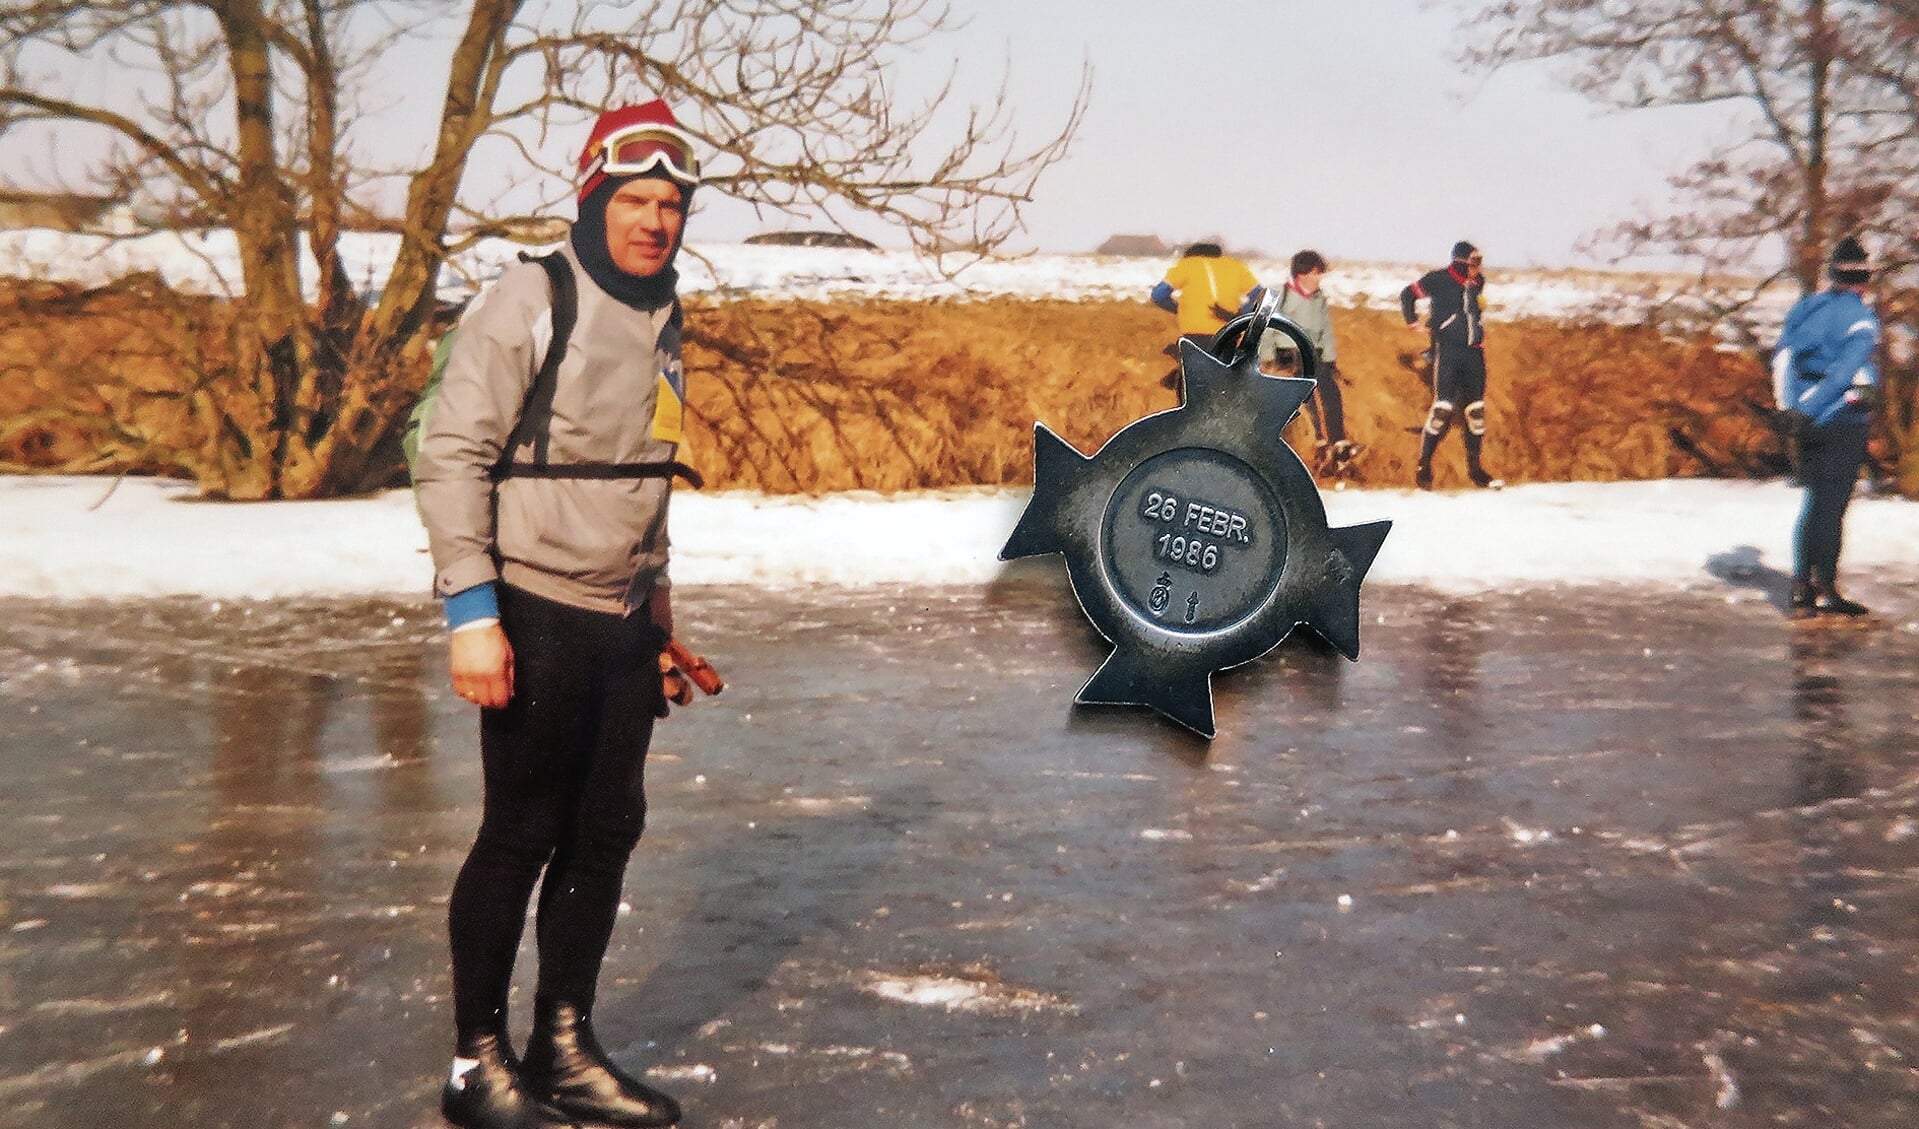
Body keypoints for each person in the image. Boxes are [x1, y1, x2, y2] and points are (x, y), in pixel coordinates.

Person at [414, 99, 704, 1129]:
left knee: (605, 830)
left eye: (671, 203)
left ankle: (564, 1044)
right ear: (593, 197)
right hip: (531, 607)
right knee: (520, 832)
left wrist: (660, 601)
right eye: (634, 197)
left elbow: (653, 463)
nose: (653, 220)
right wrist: (471, 612)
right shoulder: (531, 296)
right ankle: (474, 1063)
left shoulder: (665, 310)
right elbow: (449, 456)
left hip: (621, 618)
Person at [1773, 236, 1881, 620]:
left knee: (1813, 502)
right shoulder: (1861, 319)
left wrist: (1789, 409)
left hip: (1806, 424)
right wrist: (1813, 407)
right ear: (1865, 278)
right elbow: (1843, 372)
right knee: (1832, 507)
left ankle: (1802, 584)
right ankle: (1826, 588)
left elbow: (1783, 356)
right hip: (1840, 419)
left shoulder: (1806, 308)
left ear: (1832, 273)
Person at [1401, 241, 1501, 490]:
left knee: (1475, 411)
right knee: (1443, 407)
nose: (1479, 268)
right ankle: (1423, 466)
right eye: (1474, 262)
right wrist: (1413, 322)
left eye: (1480, 262)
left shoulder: (1478, 283)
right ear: (1462, 262)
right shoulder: (1439, 279)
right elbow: (1408, 294)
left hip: (1474, 353)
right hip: (1448, 349)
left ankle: (1476, 470)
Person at [1256, 249, 1358, 470]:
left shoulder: (1319, 299)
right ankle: (1317, 440)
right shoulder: (1280, 294)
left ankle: (1338, 440)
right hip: (1287, 353)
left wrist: (1329, 358)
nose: (1317, 278)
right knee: (1305, 395)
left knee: (1330, 390)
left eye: (1319, 274)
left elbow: (1325, 330)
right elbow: (1266, 328)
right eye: (1313, 273)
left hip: (1312, 352)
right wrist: (1268, 358)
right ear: (1301, 274)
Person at [1150, 242, 1263, 388]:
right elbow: (1259, 295)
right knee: (1221, 381)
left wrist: (1179, 308)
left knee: (1195, 382)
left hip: (1196, 333)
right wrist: (1240, 314)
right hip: (1228, 333)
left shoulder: (1187, 265)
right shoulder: (1234, 266)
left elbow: (1158, 295)